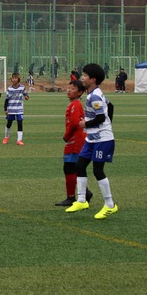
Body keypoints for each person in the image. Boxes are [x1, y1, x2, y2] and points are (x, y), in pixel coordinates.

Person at [66, 63, 118, 219]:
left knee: (97, 170)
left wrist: (86, 124)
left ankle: (110, 205)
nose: (82, 78)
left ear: (93, 79)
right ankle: (81, 200)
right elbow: (111, 106)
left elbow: (101, 117)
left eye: (85, 76)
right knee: (80, 165)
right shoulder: (93, 93)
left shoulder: (94, 95)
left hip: (102, 140)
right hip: (92, 139)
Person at [56, 79, 93, 206]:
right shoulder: (73, 104)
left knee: (70, 167)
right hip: (75, 139)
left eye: (73, 88)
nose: (69, 90)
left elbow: (74, 123)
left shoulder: (76, 104)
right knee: (73, 167)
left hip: (76, 140)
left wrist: (66, 136)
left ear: (80, 92)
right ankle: (84, 193)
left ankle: (72, 197)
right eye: (69, 87)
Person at [2, 72, 29, 145]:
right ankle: (6, 137)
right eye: (13, 78)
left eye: (15, 78)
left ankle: (19, 140)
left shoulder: (22, 87)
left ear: (18, 79)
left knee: (20, 123)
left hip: (19, 109)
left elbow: (26, 95)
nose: (14, 79)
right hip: (11, 109)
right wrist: (5, 109)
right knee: (9, 124)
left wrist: (26, 97)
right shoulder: (9, 89)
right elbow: (6, 100)